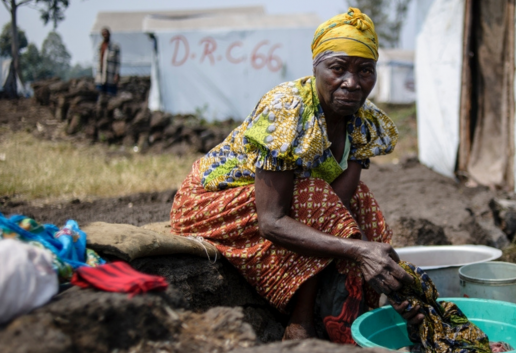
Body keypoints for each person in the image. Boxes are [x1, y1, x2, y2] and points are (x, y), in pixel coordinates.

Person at [170, 8, 423, 344]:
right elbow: (272, 220)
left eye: (365, 71)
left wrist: (401, 286)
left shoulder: (362, 120)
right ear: (315, 67)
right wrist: (359, 251)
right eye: (337, 68)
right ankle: (299, 321)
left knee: (359, 199)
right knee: (313, 195)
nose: (352, 82)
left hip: (295, 200)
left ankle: (355, 313)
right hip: (209, 203)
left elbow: (338, 205)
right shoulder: (286, 110)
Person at [94, 27, 120, 96]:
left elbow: (118, 62)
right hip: (100, 75)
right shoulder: (99, 46)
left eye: (106, 33)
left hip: (110, 75)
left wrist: (116, 74)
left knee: (111, 96)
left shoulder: (115, 47)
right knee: (100, 95)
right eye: (104, 34)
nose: (105, 35)